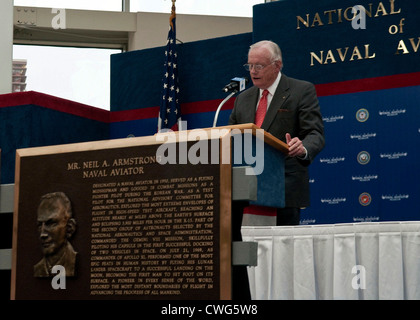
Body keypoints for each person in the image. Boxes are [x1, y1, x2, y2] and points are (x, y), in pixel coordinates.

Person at [228, 40, 325, 300]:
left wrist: (302, 147)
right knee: (243, 263)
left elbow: (315, 133)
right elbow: (231, 139)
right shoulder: (242, 99)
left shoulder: (300, 90)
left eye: (259, 65)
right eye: (249, 65)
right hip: (244, 193)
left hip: (283, 191)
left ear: (277, 65)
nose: (253, 71)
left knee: (281, 264)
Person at [34, 192, 78, 277]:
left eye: (51, 224)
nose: (42, 234)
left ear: (69, 227)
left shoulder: (74, 261)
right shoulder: (38, 268)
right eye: (40, 225)